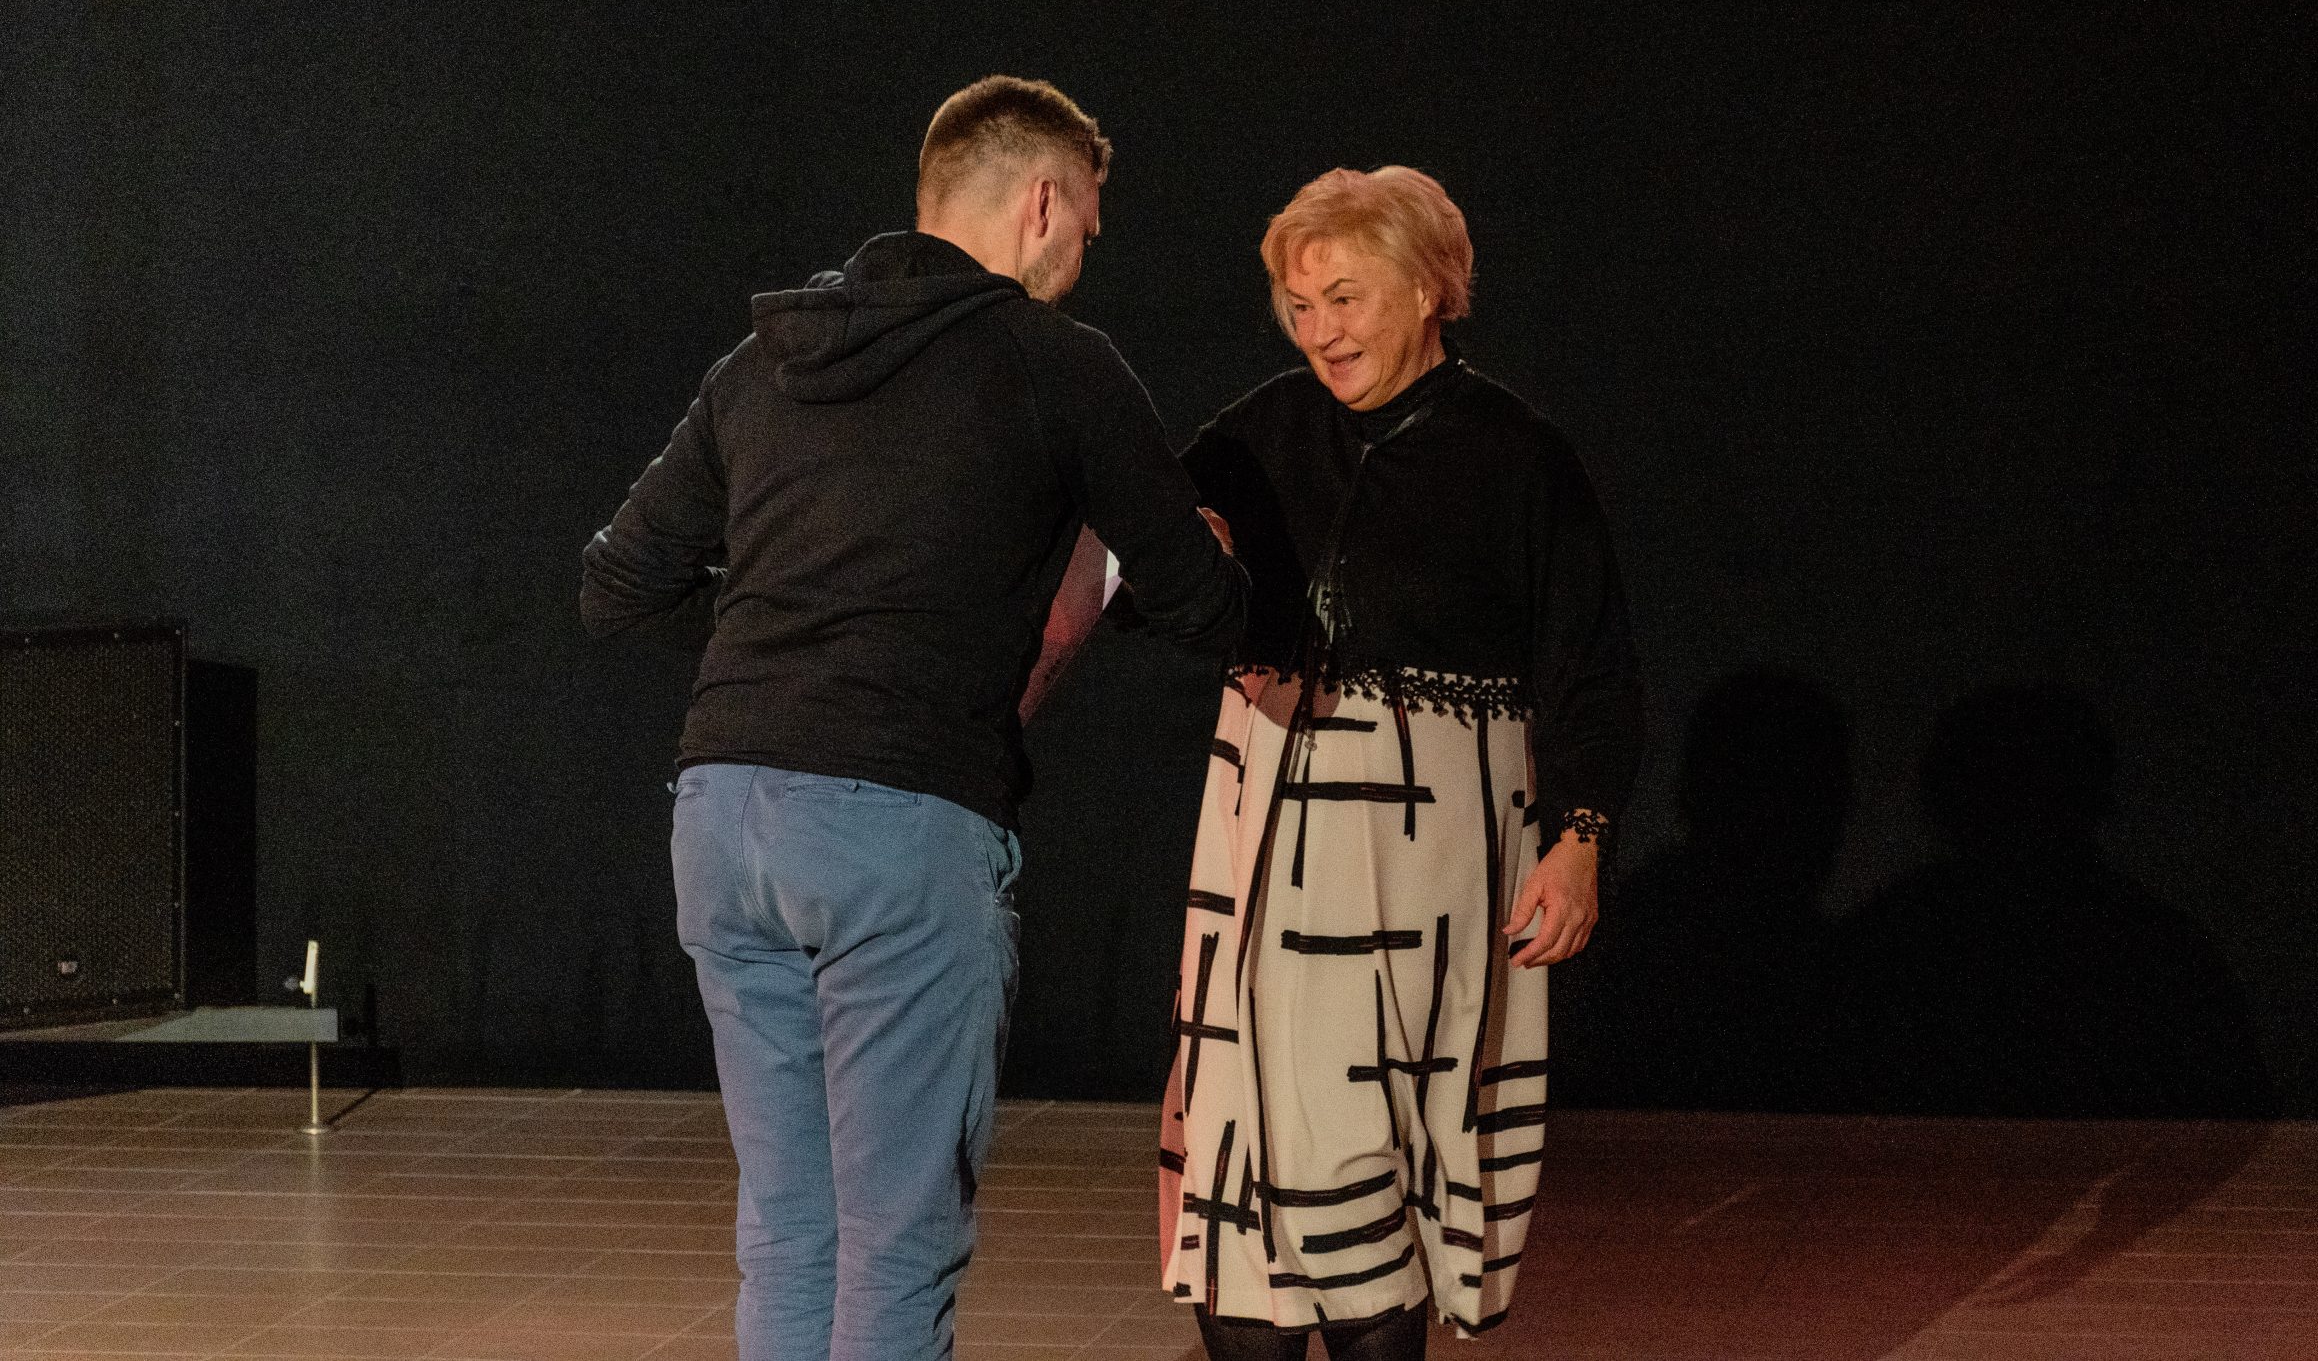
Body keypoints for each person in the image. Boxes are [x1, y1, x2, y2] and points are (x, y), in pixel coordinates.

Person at [579, 77, 1247, 1361]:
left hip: (722, 816)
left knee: (789, 1229)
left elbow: (616, 585)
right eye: (1087, 225)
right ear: (1041, 202)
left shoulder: (763, 362)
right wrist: (1199, 562)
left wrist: (784, 634)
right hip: (898, 819)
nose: (1084, 254)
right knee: (895, 1243)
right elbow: (1199, 603)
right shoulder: (1059, 366)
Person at [1155, 166, 1644, 1356]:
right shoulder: (1260, 434)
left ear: (1428, 290)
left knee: (1375, 1135)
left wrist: (1579, 839)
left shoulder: (1517, 456)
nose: (1320, 331)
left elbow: (1589, 666)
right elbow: (1151, 583)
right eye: (1299, 305)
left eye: (1345, 298)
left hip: (1431, 847)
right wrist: (1175, 553)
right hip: (1269, 826)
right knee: (1249, 1141)